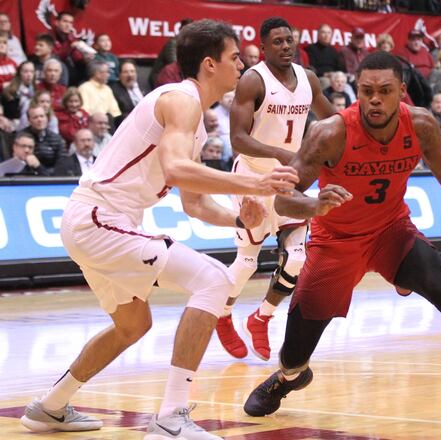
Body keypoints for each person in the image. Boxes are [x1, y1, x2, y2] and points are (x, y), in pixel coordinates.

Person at [18, 20, 299, 439]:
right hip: (99, 219)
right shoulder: (181, 100)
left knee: (133, 325)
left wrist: (240, 219)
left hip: (96, 223)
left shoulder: (194, 120)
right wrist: (255, 184)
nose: (242, 64)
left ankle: (50, 406)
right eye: (234, 57)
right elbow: (177, 169)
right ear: (210, 64)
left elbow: (194, 203)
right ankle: (171, 417)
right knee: (213, 280)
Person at [242, 51, 441, 428]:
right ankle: (289, 377)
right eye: (366, 91)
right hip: (336, 242)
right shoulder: (330, 133)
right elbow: (284, 198)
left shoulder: (420, 124)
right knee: (294, 355)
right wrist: (315, 204)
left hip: (391, 232)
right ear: (357, 91)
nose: (374, 99)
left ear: (401, 91)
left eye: (384, 91)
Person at [217, 17, 335, 361]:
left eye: (289, 40)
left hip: (287, 180)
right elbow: (238, 139)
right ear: (263, 47)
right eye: (278, 42)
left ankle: (261, 317)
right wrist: (280, 153)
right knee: (246, 261)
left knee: (297, 257)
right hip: (252, 178)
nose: (285, 46)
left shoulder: (308, 79)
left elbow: (333, 121)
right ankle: (222, 315)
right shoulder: (253, 80)